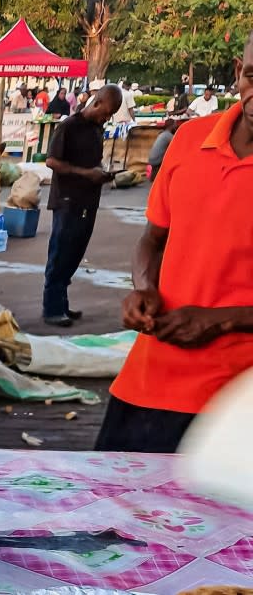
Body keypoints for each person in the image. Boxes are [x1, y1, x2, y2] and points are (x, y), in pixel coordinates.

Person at [97, 35, 253, 453]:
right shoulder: (189, 139)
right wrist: (144, 289)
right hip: (150, 382)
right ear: (238, 71)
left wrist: (222, 320)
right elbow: (152, 239)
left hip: (238, 404)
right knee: (109, 511)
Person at [41, 84, 123, 327]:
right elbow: (52, 161)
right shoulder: (69, 126)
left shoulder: (96, 128)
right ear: (96, 103)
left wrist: (101, 173)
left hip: (88, 199)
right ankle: (52, 308)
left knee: (74, 254)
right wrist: (87, 174)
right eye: (105, 112)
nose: (106, 118)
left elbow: (92, 162)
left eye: (110, 115)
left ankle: (61, 303)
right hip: (67, 199)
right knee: (60, 253)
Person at [146, 115, 183, 179]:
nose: (176, 126)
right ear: (171, 126)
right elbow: (178, 145)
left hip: (152, 159)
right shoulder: (168, 135)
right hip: (157, 161)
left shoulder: (162, 134)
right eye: (175, 125)